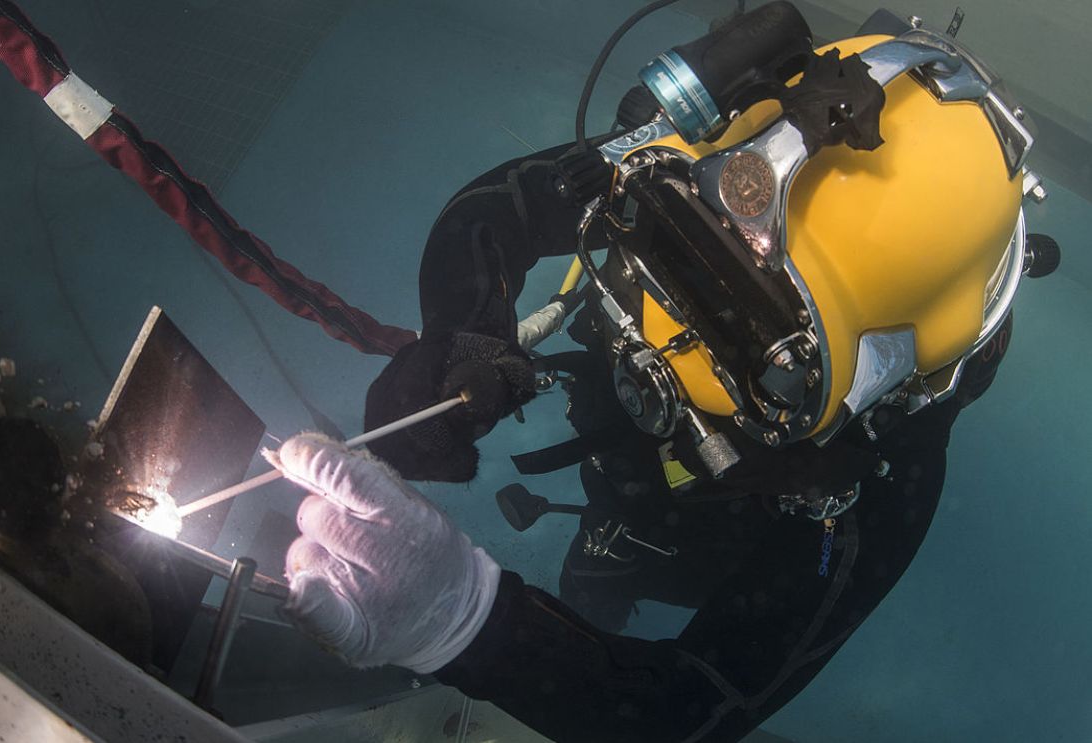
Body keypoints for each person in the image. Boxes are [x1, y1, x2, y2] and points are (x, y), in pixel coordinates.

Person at [267, 5, 1058, 741]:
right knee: (594, 568)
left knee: (602, 582)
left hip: (714, 533)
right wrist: (464, 335)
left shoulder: (879, 490)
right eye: (680, 250)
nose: (666, 336)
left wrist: (468, 624)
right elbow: (491, 215)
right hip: (640, 464)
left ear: (875, 393)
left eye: (758, 348)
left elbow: (686, 708)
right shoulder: (686, 167)